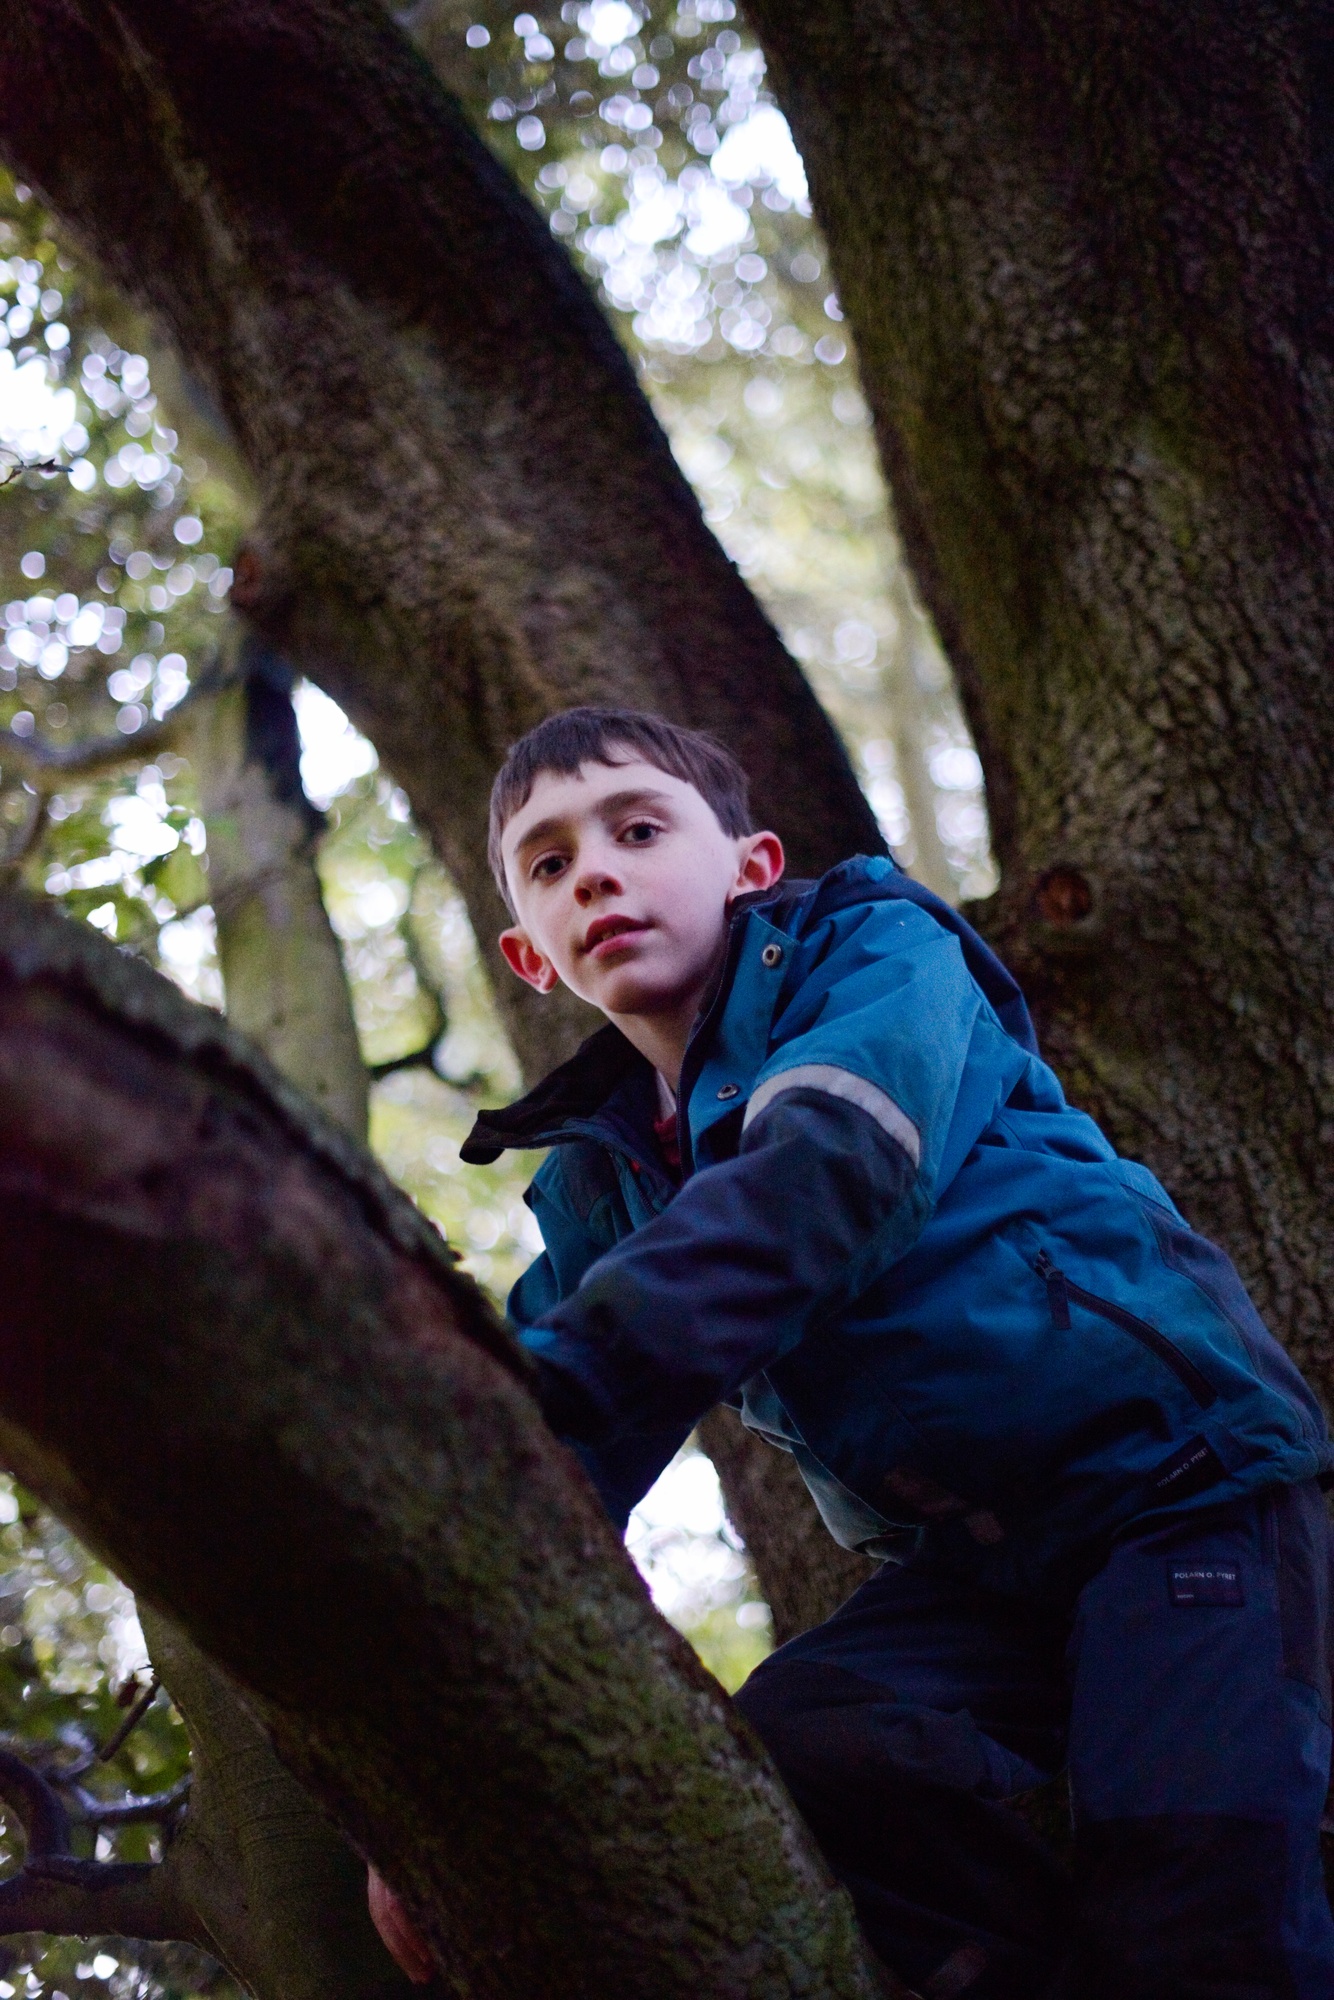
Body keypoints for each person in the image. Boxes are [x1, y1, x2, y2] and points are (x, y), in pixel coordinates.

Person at [373, 705, 1334, 1998]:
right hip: (973, 1575)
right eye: (549, 863)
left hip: (1177, 1483)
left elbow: (828, 1170)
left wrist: (560, 1396)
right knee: (787, 1756)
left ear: (751, 866)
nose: (593, 871)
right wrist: (434, 1776)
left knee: (1195, 1902)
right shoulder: (599, 1187)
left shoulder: (871, 947)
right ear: (526, 955)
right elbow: (533, 1460)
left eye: (638, 830)